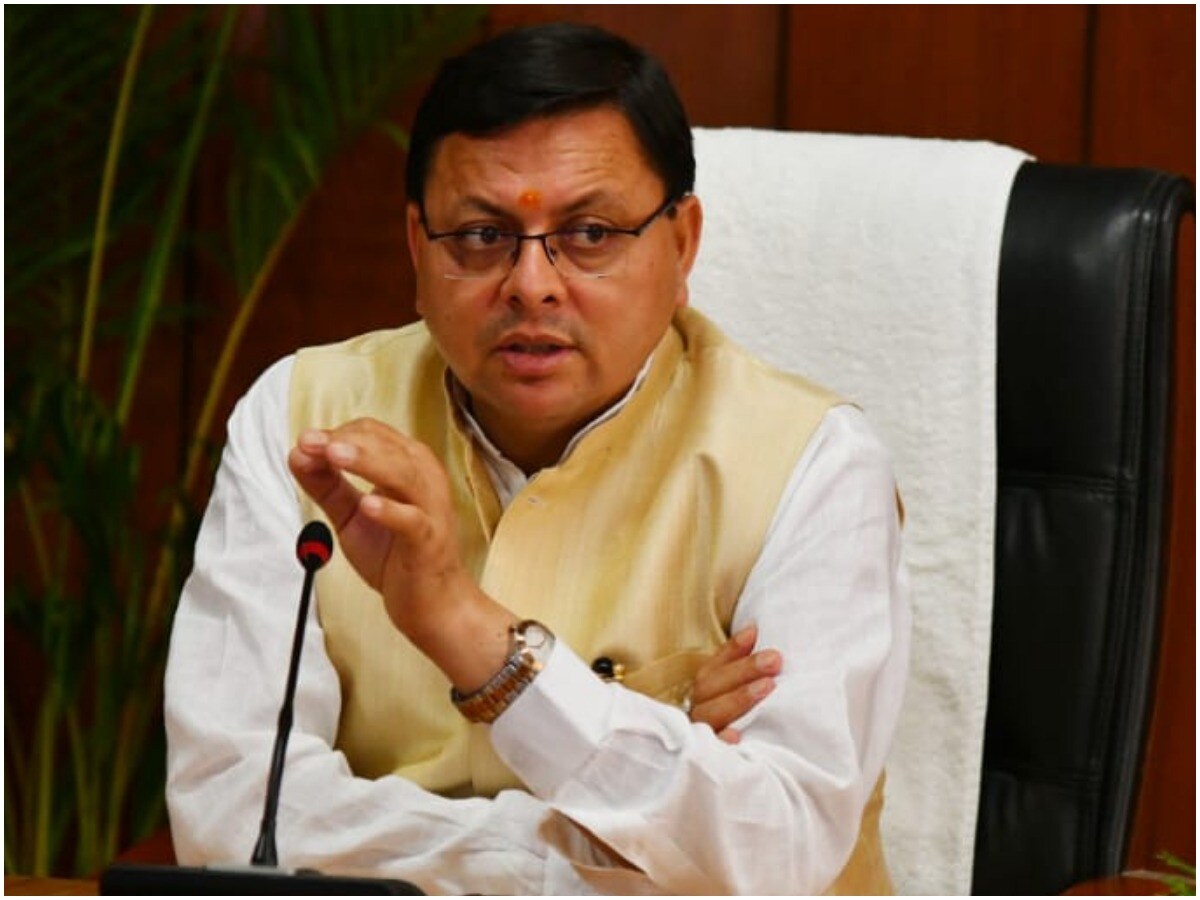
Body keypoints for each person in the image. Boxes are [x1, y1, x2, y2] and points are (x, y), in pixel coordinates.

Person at [165, 22, 910, 895]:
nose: (531, 285)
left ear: (682, 245)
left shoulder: (811, 465)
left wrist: (472, 635)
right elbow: (232, 818)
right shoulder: (306, 427)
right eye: (481, 236)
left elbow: (776, 850)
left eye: (589, 233)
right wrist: (619, 819)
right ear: (416, 247)